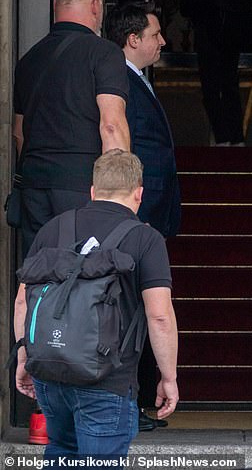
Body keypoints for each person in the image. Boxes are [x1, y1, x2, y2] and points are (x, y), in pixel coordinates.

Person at [14, 149, 179, 461]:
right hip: (108, 381)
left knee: (60, 452)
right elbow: (159, 316)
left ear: (92, 190)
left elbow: (24, 299)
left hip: (50, 373)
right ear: (139, 194)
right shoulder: (147, 240)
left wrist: (25, 358)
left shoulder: (53, 229)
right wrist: (168, 377)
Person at [105, 1, 181, 431]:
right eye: (155, 34)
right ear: (133, 40)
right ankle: (127, 406)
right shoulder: (121, 84)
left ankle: (133, 404)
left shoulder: (136, 81)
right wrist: (139, 216)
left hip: (150, 215)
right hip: (139, 216)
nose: (162, 41)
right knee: (132, 311)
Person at [13, 0, 130, 254]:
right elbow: (112, 126)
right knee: (84, 280)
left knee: (42, 276)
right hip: (82, 187)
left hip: (34, 187)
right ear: (95, 5)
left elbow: (19, 132)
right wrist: (119, 195)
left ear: (56, 4)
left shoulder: (29, 59)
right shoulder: (105, 54)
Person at [181, 0, 252, 146]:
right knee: (230, 85)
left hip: (207, 32)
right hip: (230, 33)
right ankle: (236, 137)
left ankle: (222, 136)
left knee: (211, 88)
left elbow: (187, 3)